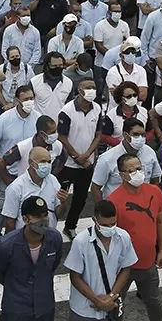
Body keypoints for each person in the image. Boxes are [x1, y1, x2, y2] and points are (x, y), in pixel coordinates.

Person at [108, 153, 162, 321]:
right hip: (122, 265)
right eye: (132, 170)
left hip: (147, 262)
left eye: (139, 168)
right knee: (117, 300)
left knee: (153, 301)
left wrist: (161, 250)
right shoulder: (114, 200)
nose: (138, 173)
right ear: (122, 175)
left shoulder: (154, 191)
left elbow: (161, 221)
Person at [57, 78, 102, 237]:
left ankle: (70, 226)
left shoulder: (97, 108)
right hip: (68, 164)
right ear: (79, 91)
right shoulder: (67, 110)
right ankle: (52, 224)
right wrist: (76, 157)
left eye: (94, 87)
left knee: (80, 198)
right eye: (88, 87)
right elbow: (62, 137)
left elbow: (98, 135)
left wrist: (87, 156)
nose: (92, 90)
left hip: (87, 164)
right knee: (59, 197)